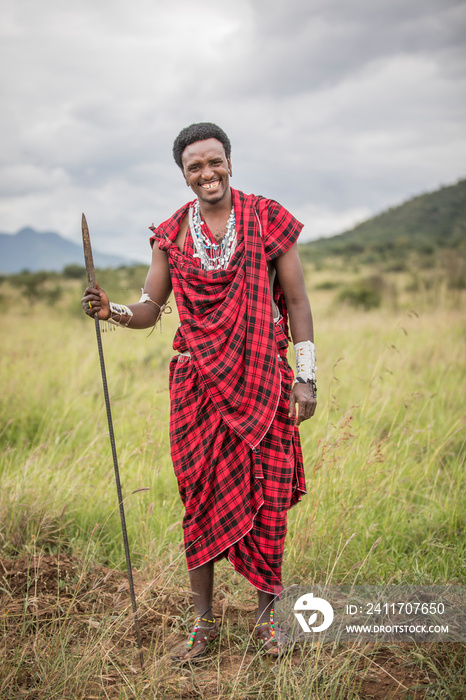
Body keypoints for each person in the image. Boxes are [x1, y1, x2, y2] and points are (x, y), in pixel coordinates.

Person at [82, 122, 317, 661]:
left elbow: (299, 303)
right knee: (200, 497)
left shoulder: (266, 218)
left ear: (229, 161)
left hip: (263, 382)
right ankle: (202, 628)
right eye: (195, 167)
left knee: (269, 500)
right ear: (184, 175)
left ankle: (266, 625)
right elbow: (148, 308)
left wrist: (306, 377)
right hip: (198, 386)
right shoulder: (171, 233)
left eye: (214, 162)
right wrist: (110, 310)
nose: (206, 173)